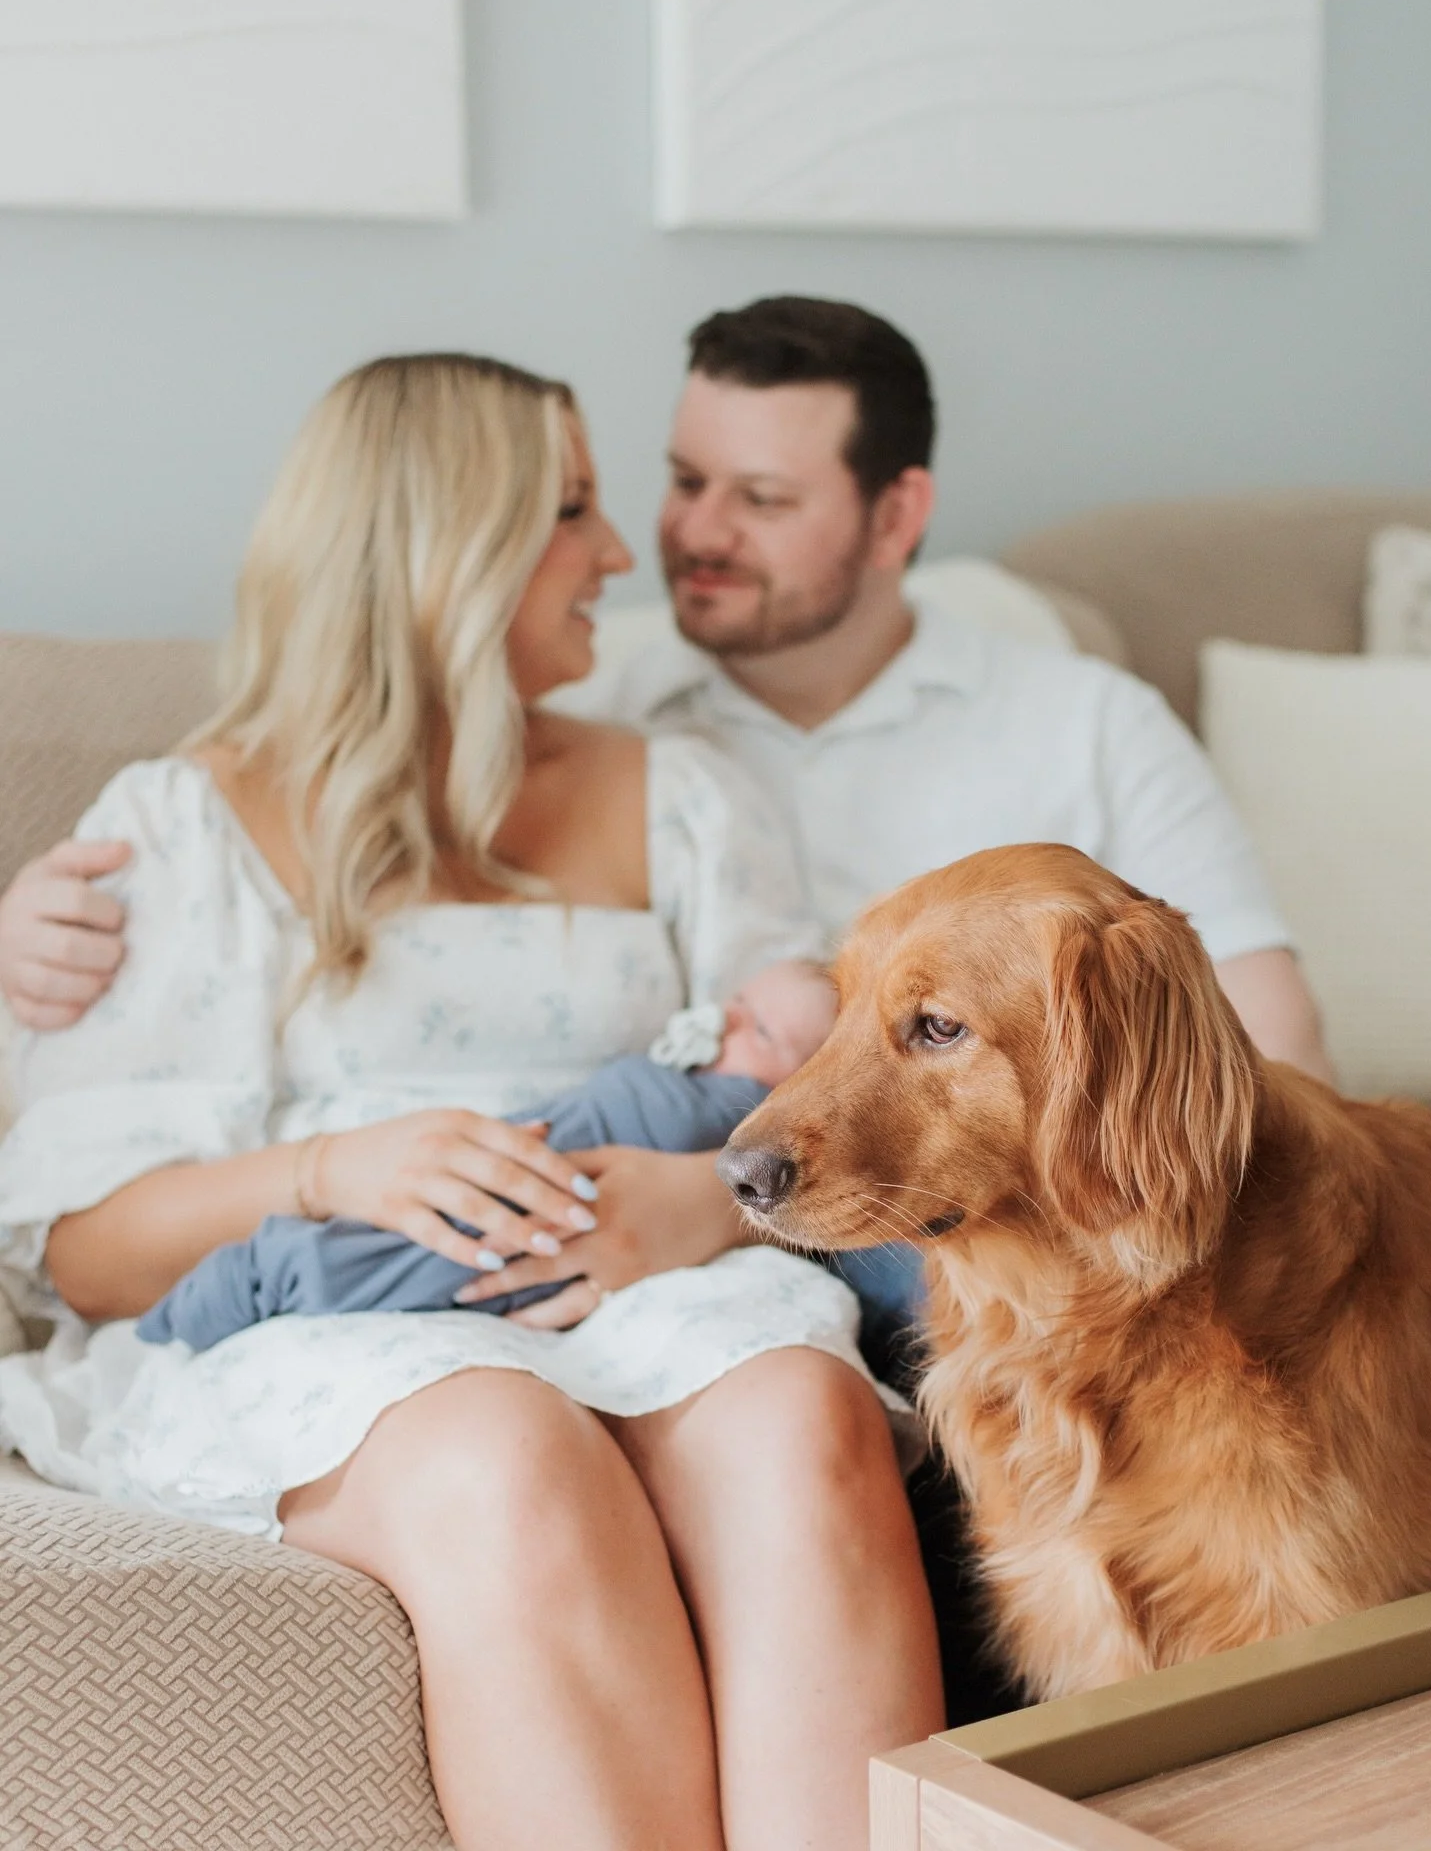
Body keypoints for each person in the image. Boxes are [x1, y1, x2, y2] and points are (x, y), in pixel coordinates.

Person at [0, 354, 942, 1851]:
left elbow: (811, 1091)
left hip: (655, 1278)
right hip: (323, 1315)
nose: (623, 555)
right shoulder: (177, 832)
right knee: (504, 1444)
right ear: (450, 546)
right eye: (573, 510)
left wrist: (698, 1202)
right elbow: (84, 1257)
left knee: (799, 1417)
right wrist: (326, 1168)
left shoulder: (686, 798)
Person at [137, 959, 837, 1351]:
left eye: (765, 1034)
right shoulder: (684, 1066)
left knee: (364, 1267)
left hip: (560, 1222)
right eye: (738, 1000)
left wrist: (704, 1186)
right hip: (476, 1171)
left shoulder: (727, 1109)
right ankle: (203, 1310)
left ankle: (239, 1292)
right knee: (377, 1246)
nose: (729, 1021)